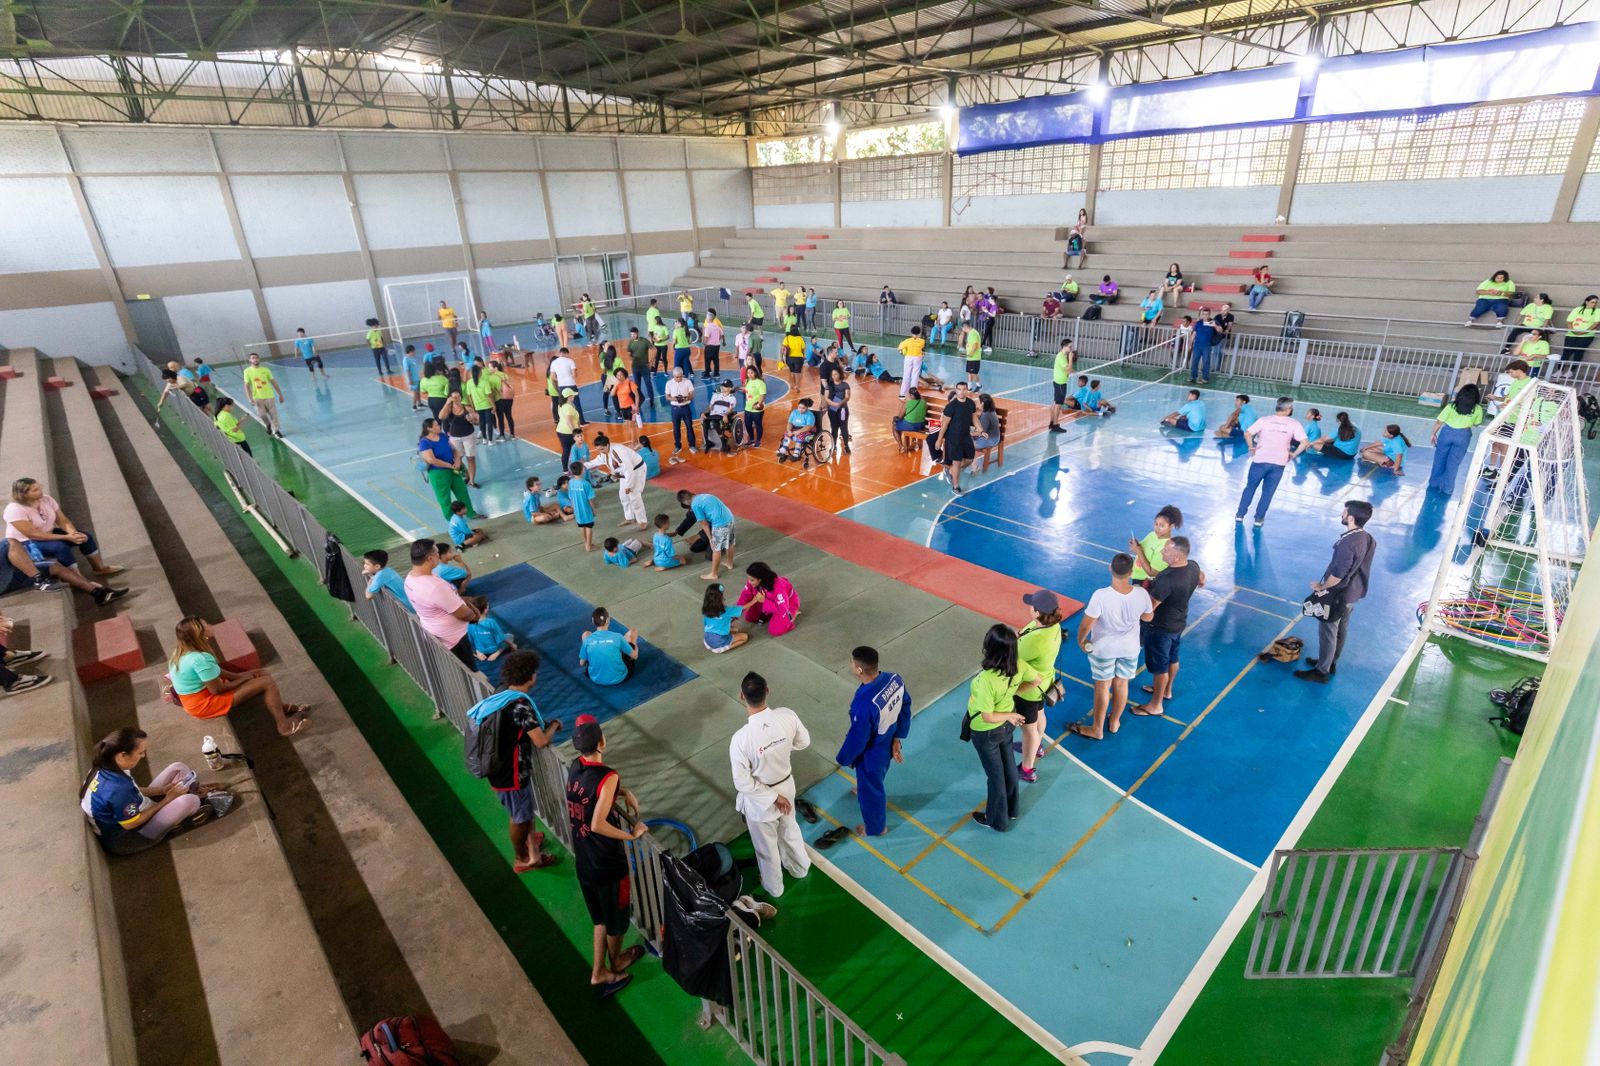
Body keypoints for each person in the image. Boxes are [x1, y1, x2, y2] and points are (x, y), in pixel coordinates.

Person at [567, 714, 648, 996]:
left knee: (599, 919)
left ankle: (598, 972)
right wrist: (631, 835)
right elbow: (598, 822)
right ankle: (614, 966)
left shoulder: (574, 767)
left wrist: (622, 791)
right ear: (603, 741)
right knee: (616, 921)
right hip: (608, 865)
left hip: (585, 861)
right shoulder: (607, 775)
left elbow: (593, 796)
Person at [466, 649, 560, 874]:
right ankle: (523, 858)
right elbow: (540, 741)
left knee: (523, 812)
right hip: (511, 774)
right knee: (519, 816)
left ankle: (530, 844)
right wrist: (555, 725)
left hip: (500, 768)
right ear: (531, 677)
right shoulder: (520, 706)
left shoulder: (502, 692)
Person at [729, 671, 811, 896]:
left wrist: (772, 797)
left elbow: (742, 782)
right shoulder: (787, 716)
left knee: (766, 846)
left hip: (760, 800)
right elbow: (804, 741)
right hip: (786, 784)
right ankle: (800, 868)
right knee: (789, 828)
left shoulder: (741, 739)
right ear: (767, 691)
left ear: (742, 696)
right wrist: (781, 749)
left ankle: (774, 887)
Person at [821, 646, 910, 843]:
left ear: (859, 669)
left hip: (873, 751)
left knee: (872, 789)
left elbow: (858, 738)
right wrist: (897, 738)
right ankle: (864, 788)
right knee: (876, 776)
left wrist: (844, 758)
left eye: (852, 662)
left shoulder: (863, 704)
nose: (851, 665)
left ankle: (876, 827)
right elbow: (905, 706)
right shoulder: (895, 679)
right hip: (889, 737)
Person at [168, 615, 309, 735]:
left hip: (196, 697)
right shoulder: (200, 659)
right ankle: (284, 727)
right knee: (267, 682)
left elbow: (216, 671)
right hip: (203, 704)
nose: (211, 625)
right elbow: (217, 690)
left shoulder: (182, 650)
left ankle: (281, 706)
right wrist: (244, 679)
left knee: (261, 673)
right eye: (207, 625)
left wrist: (243, 675)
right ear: (201, 634)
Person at [79, 728, 206, 854]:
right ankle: (180, 816)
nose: (143, 755)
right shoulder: (117, 789)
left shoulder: (107, 765)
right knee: (190, 801)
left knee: (178, 768)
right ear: (122, 755)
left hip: (137, 808)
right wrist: (167, 800)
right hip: (130, 837)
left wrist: (161, 790)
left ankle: (175, 808)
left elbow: (133, 791)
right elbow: (131, 823)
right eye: (140, 753)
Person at [1069, 554, 1153, 741]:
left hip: (1103, 650)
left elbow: (1086, 625)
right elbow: (1148, 617)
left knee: (1102, 687)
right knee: (1122, 684)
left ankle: (1097, 729)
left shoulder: (1101, 596)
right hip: (1130, 648)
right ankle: (1114, 722)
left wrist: (1081, 641)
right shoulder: (1141, 593)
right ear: (1131, 572)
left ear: (1110, 568)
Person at [1295, 501, 1377, 683]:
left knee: (1328, 630)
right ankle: (1330, 662)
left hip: (1339, 594)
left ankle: (1321, 671)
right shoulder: (1367, 537)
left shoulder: (1348, 543)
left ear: (1351, 518)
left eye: (1345, 511)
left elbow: (1338, 575)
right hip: (1353, 593)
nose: (1342, 513)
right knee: (1341, 628)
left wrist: (1321, 587)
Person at [964, 624, 1034, 832]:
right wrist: (1013, 696)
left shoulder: (988, 679)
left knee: (995, 777)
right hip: (1006, 729)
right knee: (1009, 767)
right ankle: (1012, 809)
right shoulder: (1019, 665)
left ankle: (997, 820)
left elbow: (987, 715)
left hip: (987, 731)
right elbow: (1037, 680)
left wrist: (1009, 715)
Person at [1133, 537, 1203, 718]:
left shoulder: (1168, 580)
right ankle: (1167, 691)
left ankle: (1156, 705)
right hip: (1178, 622)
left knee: (1160, 668)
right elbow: (1202, 578)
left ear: (1178, 556)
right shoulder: (1193, 566)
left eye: (1166, 550)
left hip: (1160, 628)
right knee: (1173, 658)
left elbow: (1149, 609)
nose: (1162, 552)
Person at [4, 478, 122, 577]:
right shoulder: (14, 509)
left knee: (85, 537)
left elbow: (62, 520)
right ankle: (79, 579)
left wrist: (74, 534)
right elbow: (33, 534)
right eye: (35, 490)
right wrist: (67, 537)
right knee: (60, 548)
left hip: (48, 533)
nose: (40, 491)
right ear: (24, 494)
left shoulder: (46, 499)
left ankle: (99, 568)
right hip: (27, 542)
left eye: (39, 487)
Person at [403, 538, 481, 670]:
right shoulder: (435, 587)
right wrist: (474, 612)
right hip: (454, 641)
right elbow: (464, 614)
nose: (439, 555)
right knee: (468, 672)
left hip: (437, 634)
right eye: (437, 553)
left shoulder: (410, 578)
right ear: (429, 558)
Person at [1236, 397, 1309, 526]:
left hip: (1260, 460)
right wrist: (1293, 454)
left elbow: (1247, 433)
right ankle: (1259, 519)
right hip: (1279, 463)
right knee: (1268, 492)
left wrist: (1250, 447)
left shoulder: (1264, 420)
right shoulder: (1294, 423)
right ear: (1287, 409)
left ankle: (1240, 515)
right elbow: (1304, 442)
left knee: (1250, 488)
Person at [1014, 591, 1063, 784]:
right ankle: (1038, 747)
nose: (1029, 608)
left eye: (1031, 606)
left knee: (1028, 730)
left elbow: (1014, 654)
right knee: (1040, 714)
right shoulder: (1052, 626)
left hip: (1030, 689)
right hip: (1045, 682)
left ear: (1037, 612)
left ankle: (1027, 768)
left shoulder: (1037, 639)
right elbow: (1025, 632)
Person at [2, 535, 125, 603]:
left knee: (53, 566)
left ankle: (100, 594)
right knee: (9, 543)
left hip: (7, 576)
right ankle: (39, 581)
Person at [585, 433, 649, 531]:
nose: (600, 451)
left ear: (607, 445)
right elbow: (597, 461)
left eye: (602, 449)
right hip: (625, 473)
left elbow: (628, 469)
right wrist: (584, 465)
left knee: (634, 496)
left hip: (636, 470)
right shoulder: (604, 452)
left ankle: (642, 521)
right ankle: (630, 518)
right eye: (598, 450)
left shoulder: (618, 451)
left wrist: (629, 485)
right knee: (623, 496)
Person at [1429, 384, 1484, 495]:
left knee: (1439, 460)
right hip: (1463, 435)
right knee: (1453, 464)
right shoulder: (1478, 409)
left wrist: (1433, 434)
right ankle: (1447, 489)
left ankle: (1434, 484)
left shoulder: (1451, 406)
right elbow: (1477, 424)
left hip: (1447, 433)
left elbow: (1439, 422)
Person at [417, 418, 475, 520]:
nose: (438, 426)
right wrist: (449, 465)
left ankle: (471, 513)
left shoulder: (443, 436)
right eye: (435, 425)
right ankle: (452, 519)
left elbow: (454, 450)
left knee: (462, 492)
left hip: (453, 470)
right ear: (429, 428)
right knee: (444, 498)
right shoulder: (425, 442)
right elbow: (432, 460)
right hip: (438, 473)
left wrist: (457, 461)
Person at [677, 489, 736, 580]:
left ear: (686, 502)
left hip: (719, 524)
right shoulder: (704, 495)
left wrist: (710, 538)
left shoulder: (695, 505)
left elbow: (703, 523)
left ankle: (714, 574)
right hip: (730, 518)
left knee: (716, 549)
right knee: (730, 543)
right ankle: (730, 564)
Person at [737, 561, 800, 636]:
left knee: (775, 631)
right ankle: (770, 613)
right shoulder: (753, 583)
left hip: (786, 605)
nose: (749, 582)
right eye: (748, 579)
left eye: (752, 580)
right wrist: (734, 612)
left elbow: (782, 608)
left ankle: (791, 616)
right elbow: (744, 596)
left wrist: (764, 601)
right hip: (768, 602)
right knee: (750, 617)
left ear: (760, 579)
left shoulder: (778, 587)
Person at [580, 607, 638, 685]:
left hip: (595, 678)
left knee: (586, 634)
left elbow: (581, 664)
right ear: (608, 620)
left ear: (593, 621)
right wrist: (635, 646)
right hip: (620, 677)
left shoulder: (588, 640)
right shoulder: (617, 636)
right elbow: (635, 656)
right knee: (633, 632)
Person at [1128, 504, 1182, 584]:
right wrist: (1135, 545)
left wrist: (1138, 551)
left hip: (1145, 583)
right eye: (1156, 524)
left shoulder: (1167, 547)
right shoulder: (1152, 535)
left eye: (1161, 525)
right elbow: (1140, 549)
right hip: (1136, 576)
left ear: (1171, 526)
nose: (1157, 528)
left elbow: (1151, 573)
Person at [941, 381, 979, 493]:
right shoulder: (950, 407)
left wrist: (979, 429)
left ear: (967, 390)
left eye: (964, 389)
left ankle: (952, 470)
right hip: (953, 437)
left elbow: (973, 419)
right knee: (956, 461)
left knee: (970, 459)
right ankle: (956, 486)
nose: (962, 392)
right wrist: (939, 439)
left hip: (965, 436)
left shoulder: (970, 404)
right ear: (956, 391)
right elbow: (944, 425)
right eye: (959, 389)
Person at [241, 352, 285, 437]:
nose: (255, 359)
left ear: (259, 359)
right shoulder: (247, 371)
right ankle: (268, 424)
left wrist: (280, 395)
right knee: (262, 415)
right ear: (250, 360)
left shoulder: (266, 370)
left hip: (269, 396)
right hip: (257, 397)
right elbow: (246, 386)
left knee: (273, 414)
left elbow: (274, 382)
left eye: (257, 358)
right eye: (253, 358)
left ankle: (276, 430)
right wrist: (249, 398)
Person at [701, 581, 748, 652]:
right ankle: (724, 648)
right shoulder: (726, 610)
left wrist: (731, 619)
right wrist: (755, 600)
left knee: (735, 630)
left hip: (707, 639)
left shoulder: (706, 609)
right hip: (719, 641)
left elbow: (708, 624)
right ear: (719, 598)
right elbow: (743, 608)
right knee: (745, 637)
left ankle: (713, 645)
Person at [465, 595, 514, 661]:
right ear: (486, 609)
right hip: (494, 648)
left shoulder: (469, 623)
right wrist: (512, 645)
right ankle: (497, 652)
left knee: (478, 641)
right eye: (488, 606)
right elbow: (501, 638)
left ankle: (479, 652)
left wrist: (476, 649)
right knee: (510, 636)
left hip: (481, 648)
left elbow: (471, 640)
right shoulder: (491, 622)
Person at [664, 366, 698, 455]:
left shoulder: (687, 382)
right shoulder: (669, 383)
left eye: (680, 376)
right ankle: (677, 446)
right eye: (677, 377)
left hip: (685, 407)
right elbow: (667, 396)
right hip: (675, 409)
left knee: (689, 427)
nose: (679, 378)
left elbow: (692, 395)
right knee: (676, 428)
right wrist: (674, 399)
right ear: (673, 376)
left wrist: (685, 398)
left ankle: (692, 445)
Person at [463, 364, 498, 444]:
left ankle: (484, 439)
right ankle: (490, 440)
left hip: (477, 406)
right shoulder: (484, 382)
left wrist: (473, 405)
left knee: (481, 422)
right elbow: (489, 396)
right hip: (487, 405)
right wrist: (494, 406)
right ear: (479, 373)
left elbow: (469, 396)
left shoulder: (469, 383)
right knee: (489, 423)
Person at [568, 460, 598, 552]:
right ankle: (589, 546)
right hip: (586, 509)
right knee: (589, 527)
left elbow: (571, 497)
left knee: (582, 526)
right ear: (582, 470)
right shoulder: (586, 484)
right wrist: (593, 510)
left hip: (577, 509)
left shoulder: (571, 482)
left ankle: (586, 543)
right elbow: (590, 499)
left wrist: (574, 508)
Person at [777, 398, 819, 463]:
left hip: (808, 430)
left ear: (807, 408)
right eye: (799, 407)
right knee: (787, 433)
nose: (801, 410)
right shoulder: (794, 412)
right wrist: (789, 430)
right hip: (796, 428)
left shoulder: (810, 415)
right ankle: (784, 448)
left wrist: (797, 432)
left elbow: (808, 427)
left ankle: (797, 452)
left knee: (800, 435)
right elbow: (790, 423)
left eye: (803, 408)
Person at [823, 366, 852, 456]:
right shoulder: (829, 385)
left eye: (836, 374)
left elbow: (847, 397)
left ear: (840, 374)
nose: (834, 376)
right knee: (834, 428)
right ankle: (833, 445)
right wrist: (834, 404)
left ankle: (846, 446)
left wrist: (841, 403)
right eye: (832, 375)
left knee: (844, 428)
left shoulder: (845, 385)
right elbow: (826, 397)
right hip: (832, 410)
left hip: (843, 410)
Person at [1047, 340, 1075, 432]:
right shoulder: (1061, 357)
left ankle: (1051, 422)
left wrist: (1073, 371)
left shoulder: (1062, 356)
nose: (1071, 349)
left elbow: (1068, 369)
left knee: (1055, 403)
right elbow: (1068, 370)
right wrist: (1071, 358)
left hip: (1059, 382)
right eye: (1070, 347)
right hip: (1060, 384)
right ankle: (1055, 425)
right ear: (1064, 347)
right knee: (1058, 405)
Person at [626, 326, 656, 408]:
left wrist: (651, 362)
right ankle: (639, 401)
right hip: (635, 367)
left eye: (634, 334)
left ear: (637, 333)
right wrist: (631, 358)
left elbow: (654, 350)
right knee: (637, 386)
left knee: (648, 384)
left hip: (645, 367)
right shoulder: (631, 342)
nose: (633, 336)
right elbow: (628, 354)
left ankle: (652, 401)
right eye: (631, 334)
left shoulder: (644, 341)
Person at [1564, 295, 1599, 363]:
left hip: (1586, 336)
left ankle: (1570, 371)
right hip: (1571, 334)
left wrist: (1584, 332)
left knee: (1579, 353)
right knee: (1566, 352)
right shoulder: (1577, 309)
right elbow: (1569, 321)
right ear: (1586, 302)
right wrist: (1573, 331)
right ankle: (1560, 370)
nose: (1594, 304)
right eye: (1592, 302)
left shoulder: (1598, 311)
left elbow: (1596, 323)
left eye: (1596, 302)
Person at [1189, 314, 1219, 384]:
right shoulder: (1198, 323)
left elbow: (1220, 330)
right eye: (1204, 314)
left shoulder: (1213, 322)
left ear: (1209, 315)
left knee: (1206, 362)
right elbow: (1194, 333)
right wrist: (1191, 344)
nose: (1205, 316)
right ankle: (1193, 377)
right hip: (1197, 345)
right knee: (1194, 361)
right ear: (1202, 314)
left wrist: (1215, 325)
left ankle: (1205, 378)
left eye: (1207, 314)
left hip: (1207, 346)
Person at [897, 327, 926, 399]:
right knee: (915, 376)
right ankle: (913, 393)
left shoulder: (907, 341)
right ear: (919, 333)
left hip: (908, 358)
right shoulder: (922, 341)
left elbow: (899, 348)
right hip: (917, 358)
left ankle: (902, 395)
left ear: (911, 333)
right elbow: (922, 349)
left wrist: (902, 352)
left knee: (906, 375)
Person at [742, 364, 767, 446]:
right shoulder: (747, 381)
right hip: (748, 407)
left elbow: (762, 395)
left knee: (758, 424)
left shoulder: (760, 383)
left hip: (757, 408)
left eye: (751, 372)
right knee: (748, 424)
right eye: (748, 373)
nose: (749, 374)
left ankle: (758, 440)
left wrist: (758, 404)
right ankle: (752, 439)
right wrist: (737, 388)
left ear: (755, 373)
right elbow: (746, 389)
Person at [960, 319, 984, 390]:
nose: (962, 330)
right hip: (970, 358)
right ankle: (969, 386)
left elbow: (975, 345)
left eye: (962, 328)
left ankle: (979, 385)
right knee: (969, 372)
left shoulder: (973, 333)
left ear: (965, 327)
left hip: (974, 357)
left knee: (973, 373)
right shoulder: (971, 333)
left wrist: (970, 354)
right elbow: (972, 344)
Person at [701, 310, 724, 378]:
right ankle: (716, 373)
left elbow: (706, 337)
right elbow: (722, 333)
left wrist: (704, 343)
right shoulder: (716, 326)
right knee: (716, 360)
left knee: (707, 360)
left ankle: (707, 374)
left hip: (709, 346)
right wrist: (723, 341)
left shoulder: (708, 327)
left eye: (707, 317)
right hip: (717, 346)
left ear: (709, 318)